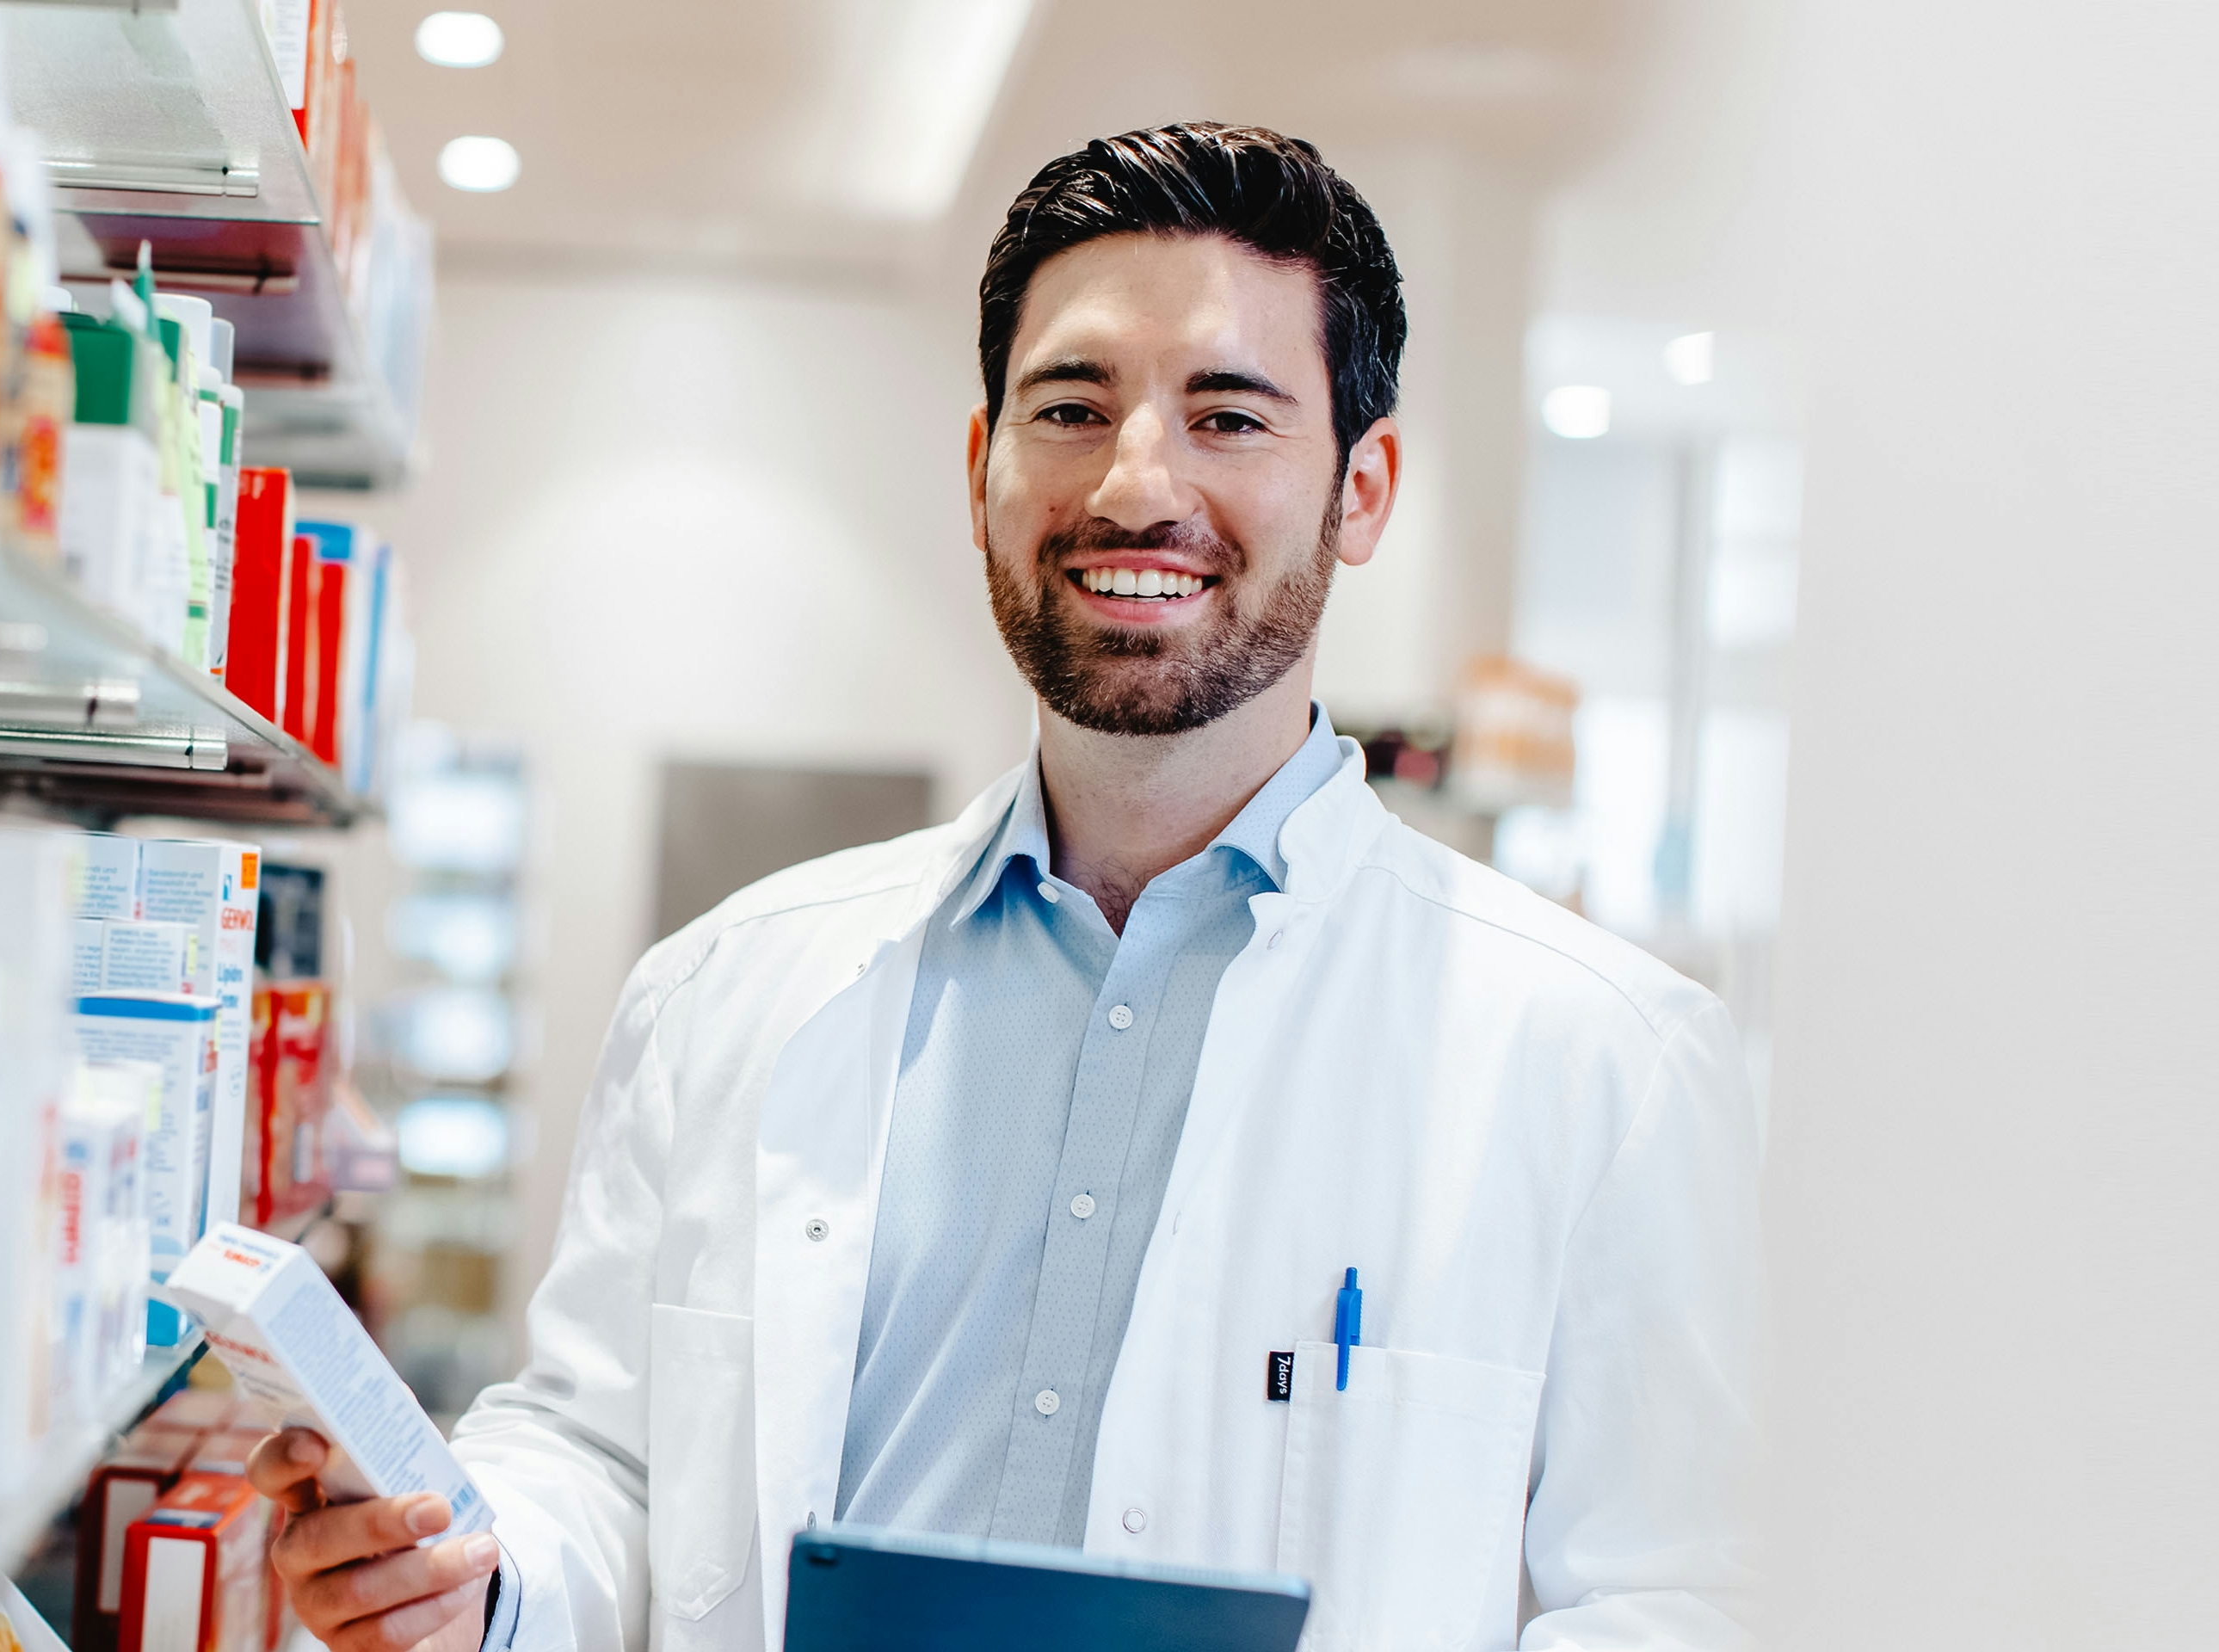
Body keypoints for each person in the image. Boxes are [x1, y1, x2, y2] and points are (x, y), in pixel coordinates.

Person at [249, 122, 1759, 1652]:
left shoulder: (1605, 1057)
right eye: (1071, 406)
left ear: (1360, 490)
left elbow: (1671, 1600)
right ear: (981, 467)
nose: (1134, 482)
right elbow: (604, 1451)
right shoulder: (727, 991)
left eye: (1228, 415)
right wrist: (479, 1578)